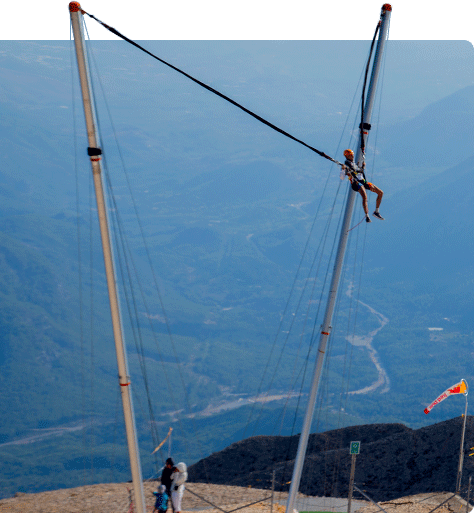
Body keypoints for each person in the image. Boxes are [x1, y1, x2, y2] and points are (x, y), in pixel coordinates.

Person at [341, 149, 384, 223]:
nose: (352, 156)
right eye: (350, 155)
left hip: (363, 182)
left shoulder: (354, 164)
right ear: (347, 156)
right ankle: (367, 215)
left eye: (352, 154)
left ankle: (376, 212)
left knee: (380, 193)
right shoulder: (347, 164)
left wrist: (362, 167)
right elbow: (342, 177)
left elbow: (358, 171)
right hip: (356, 183)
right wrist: (343, 170)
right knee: (365, 196)